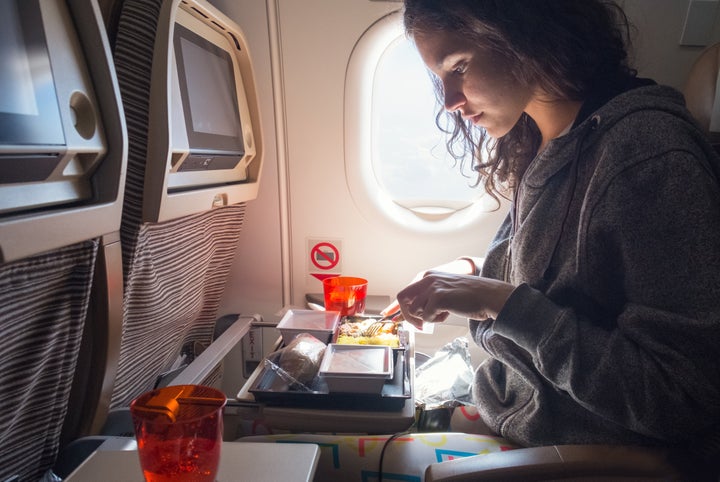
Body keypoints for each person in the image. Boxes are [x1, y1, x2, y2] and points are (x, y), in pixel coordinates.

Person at [388, 0, 720, 473]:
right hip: (519, 410)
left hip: (591, 456)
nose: (450, 100)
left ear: (524, 32)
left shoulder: (645, 157)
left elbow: (679, 396)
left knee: (299, 455)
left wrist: (500, 303)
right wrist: (467, 278)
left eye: (458, 66)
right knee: (321, 419)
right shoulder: (546, 141)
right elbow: (562, 285)